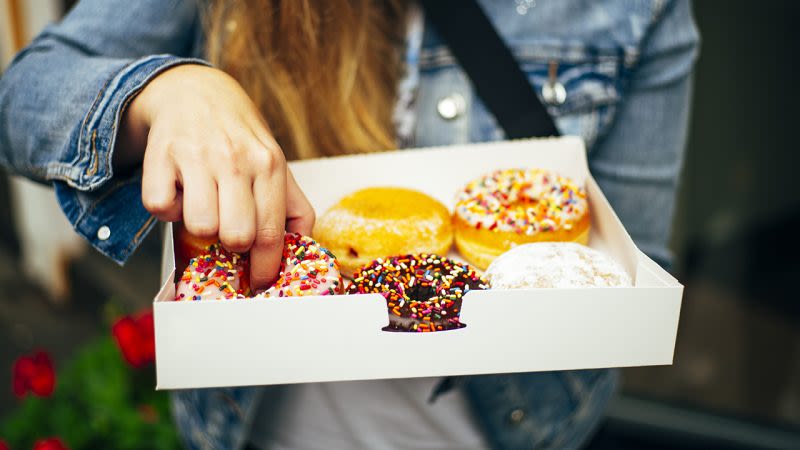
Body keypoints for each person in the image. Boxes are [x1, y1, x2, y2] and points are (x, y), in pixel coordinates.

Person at [0, 0, 699, 448]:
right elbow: (22, 97)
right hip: (253, 431)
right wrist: (164, 90)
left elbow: (632, 269)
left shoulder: (635, 13)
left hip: (520, 430)